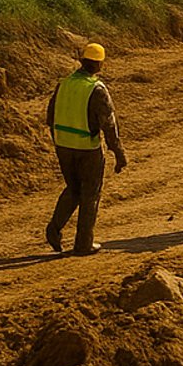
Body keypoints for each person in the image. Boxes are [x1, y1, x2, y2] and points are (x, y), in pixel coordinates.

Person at [44, 41, 128, 256]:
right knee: (90, 194)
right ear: (100, 64)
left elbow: (50, 116)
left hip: (63, 145)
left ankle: (54, 228)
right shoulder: (96, 89)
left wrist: (58, 139)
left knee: (73, 189)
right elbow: (109, 125)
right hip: (87, 148)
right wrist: (119, 153)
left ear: (82, 61)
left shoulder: (64, 84)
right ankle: (83, 244)